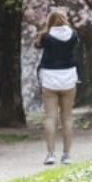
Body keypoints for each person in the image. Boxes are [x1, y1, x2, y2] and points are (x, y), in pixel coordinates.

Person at [34, 10, 79, 165]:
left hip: (50, 79)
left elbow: (37, 45)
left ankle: (50, 154)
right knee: (67, 118)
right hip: (68, 78)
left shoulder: (46, 37)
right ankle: (67, 155)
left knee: (50, 118)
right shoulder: (73, 35)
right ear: (65, 19)